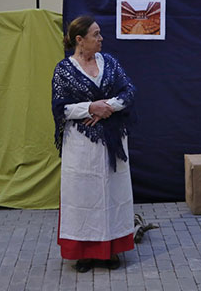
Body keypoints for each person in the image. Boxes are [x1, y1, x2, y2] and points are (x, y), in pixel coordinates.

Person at [51, 16, 137, 273]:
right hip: (81, 144)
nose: (101, 39)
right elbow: (60, 107)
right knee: (82, 195)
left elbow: (129, 91)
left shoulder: (109, 62)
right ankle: (84, 253)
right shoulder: (64, 70)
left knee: (112, 193)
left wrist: (106, 107)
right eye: (96, 35)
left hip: (112, 141)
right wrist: (89, 107)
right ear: (80, 40)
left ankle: (110, 250)